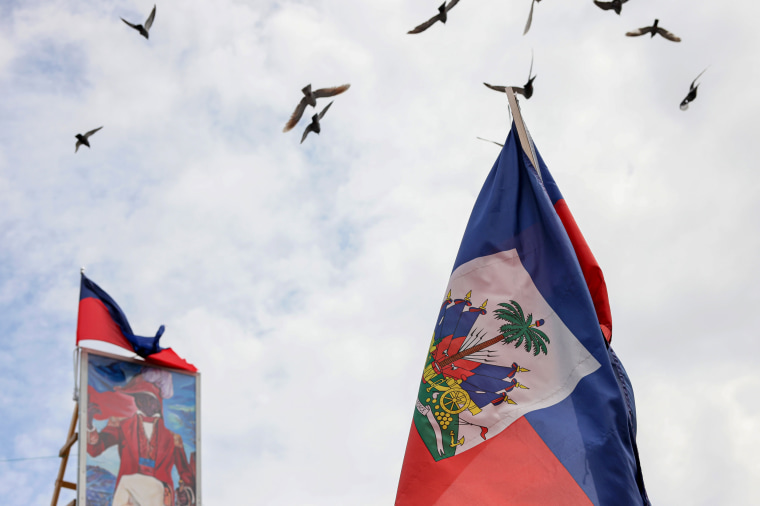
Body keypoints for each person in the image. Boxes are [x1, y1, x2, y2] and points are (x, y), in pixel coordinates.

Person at [87, 368, 194, 506]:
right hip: (130, 496)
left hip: (159, 494)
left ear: (157, 401)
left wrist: (187, 493)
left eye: (148, 398)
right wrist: (89, 424)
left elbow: (186, 474)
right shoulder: (121, 425)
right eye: (140, 398)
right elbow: (95, 449)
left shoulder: (173, 439)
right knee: (126, 483)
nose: (144, 403)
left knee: (127, 483)